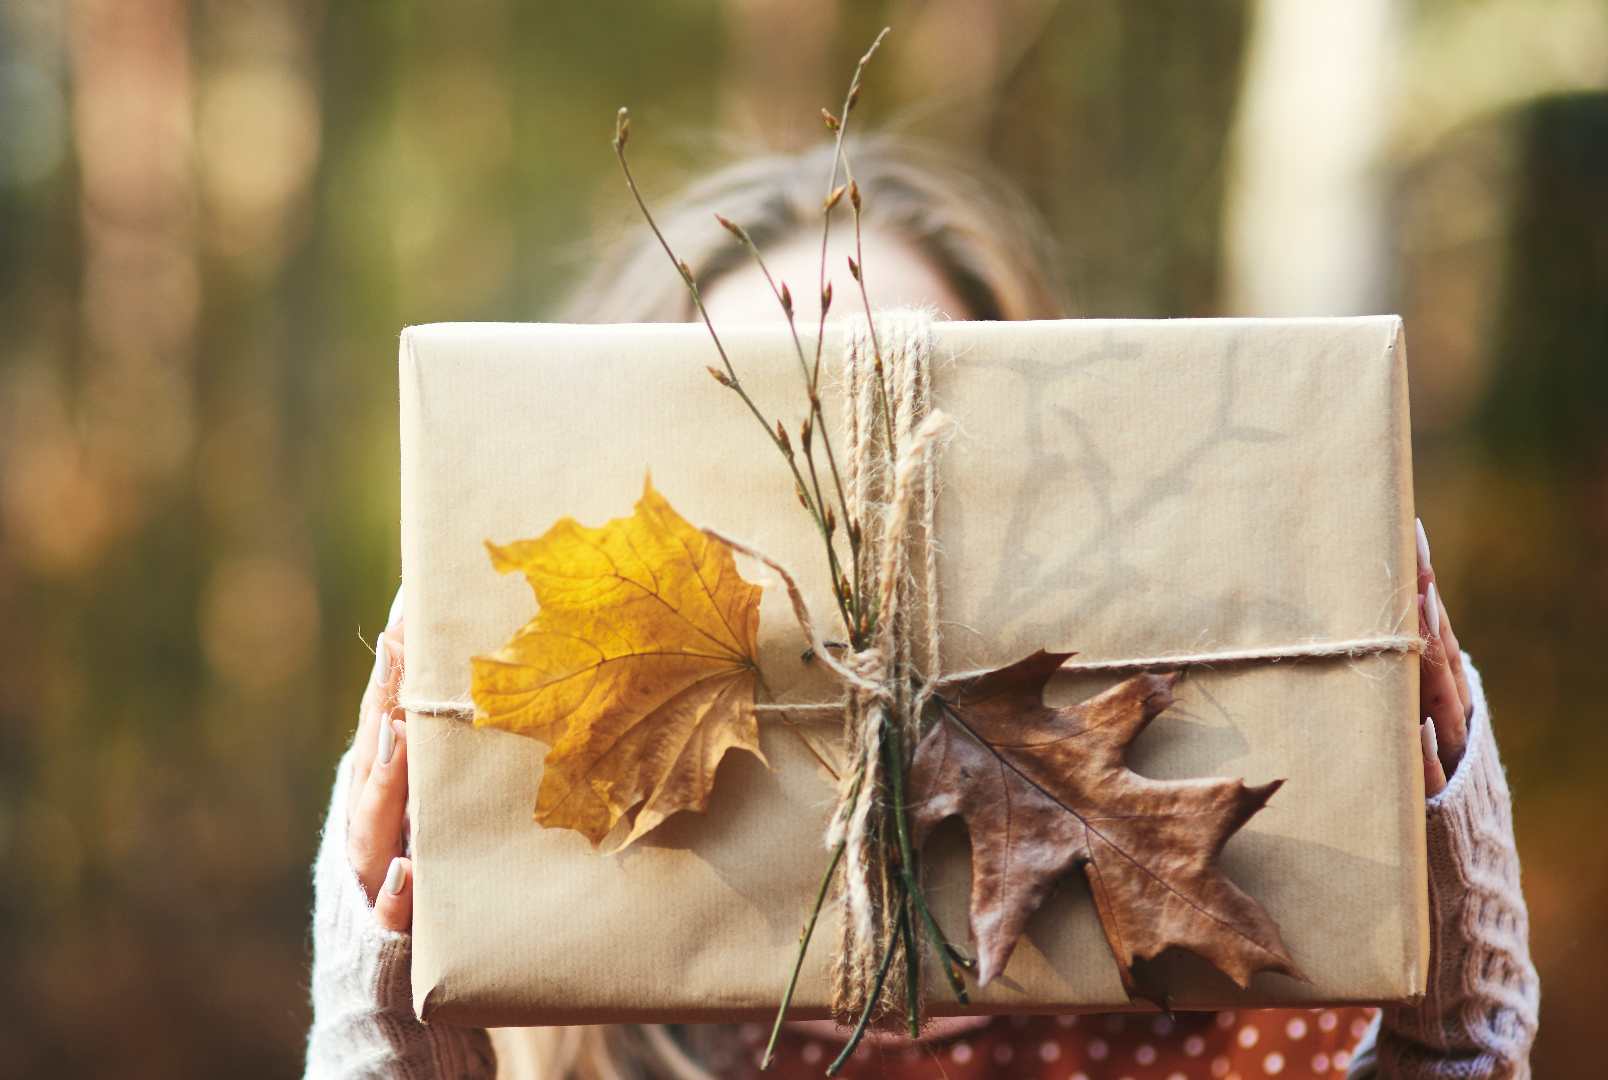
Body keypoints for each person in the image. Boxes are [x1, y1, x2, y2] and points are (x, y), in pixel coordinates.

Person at [306, 140, 1538, 1080]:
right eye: (761, 447)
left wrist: (1453, 1024)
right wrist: (389, 1035)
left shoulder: (1241, 999)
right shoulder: (579, 1046)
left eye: (926, 455)